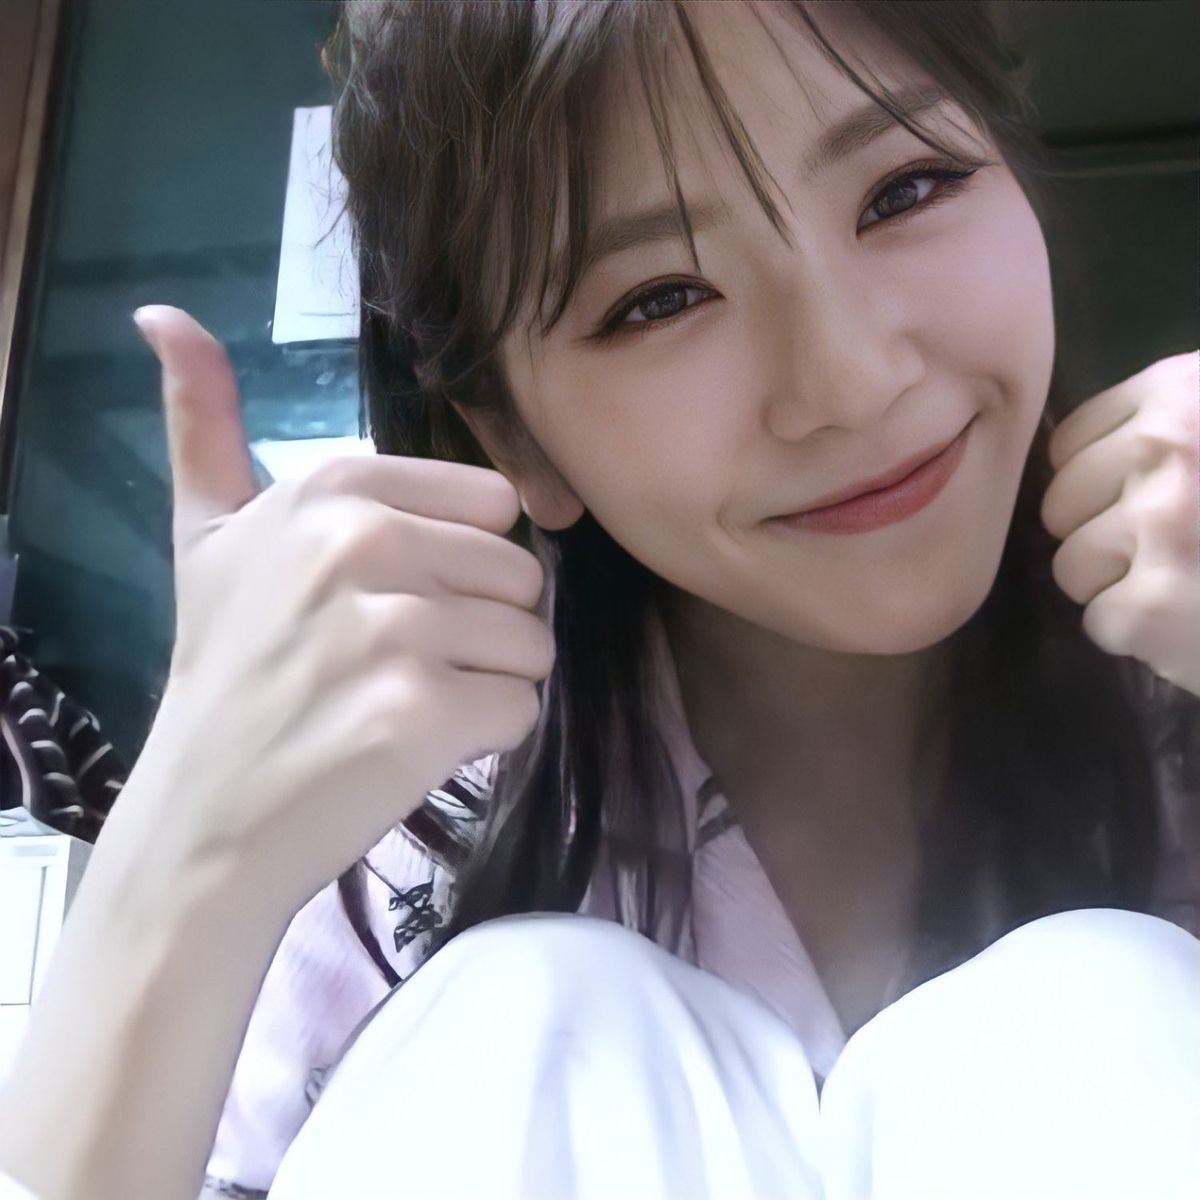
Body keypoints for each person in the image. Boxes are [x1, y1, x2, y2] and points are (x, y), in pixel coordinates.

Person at [1, 2, 1198, 1198]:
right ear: (517, 439)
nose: (852, 380)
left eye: (907, 190)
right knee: (533, 1018)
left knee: (1093, 1005)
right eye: (659, 299)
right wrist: (184, 860)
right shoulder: (405, 844)